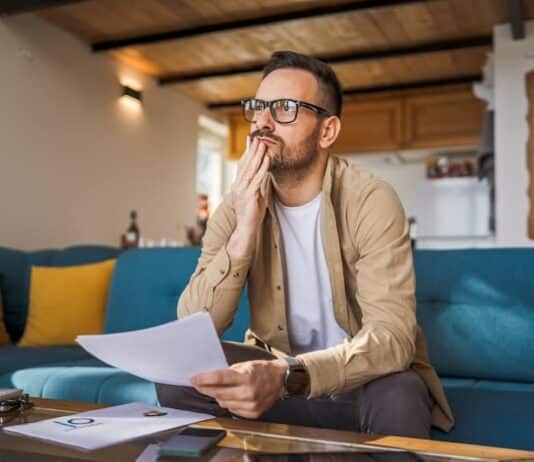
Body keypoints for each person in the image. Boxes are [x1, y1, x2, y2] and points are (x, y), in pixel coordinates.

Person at [157, 51, 454, 438]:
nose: (262, 121)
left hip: (355, 383)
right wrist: (245, 229)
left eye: (284, 108)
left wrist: (289, 375)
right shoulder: (237, 203)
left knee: (400, 392)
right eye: (259, 107)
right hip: (274, 381)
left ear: (327, 131)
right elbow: (194, 325)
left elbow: (392, 339)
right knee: (180, 371)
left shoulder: (371, 199)